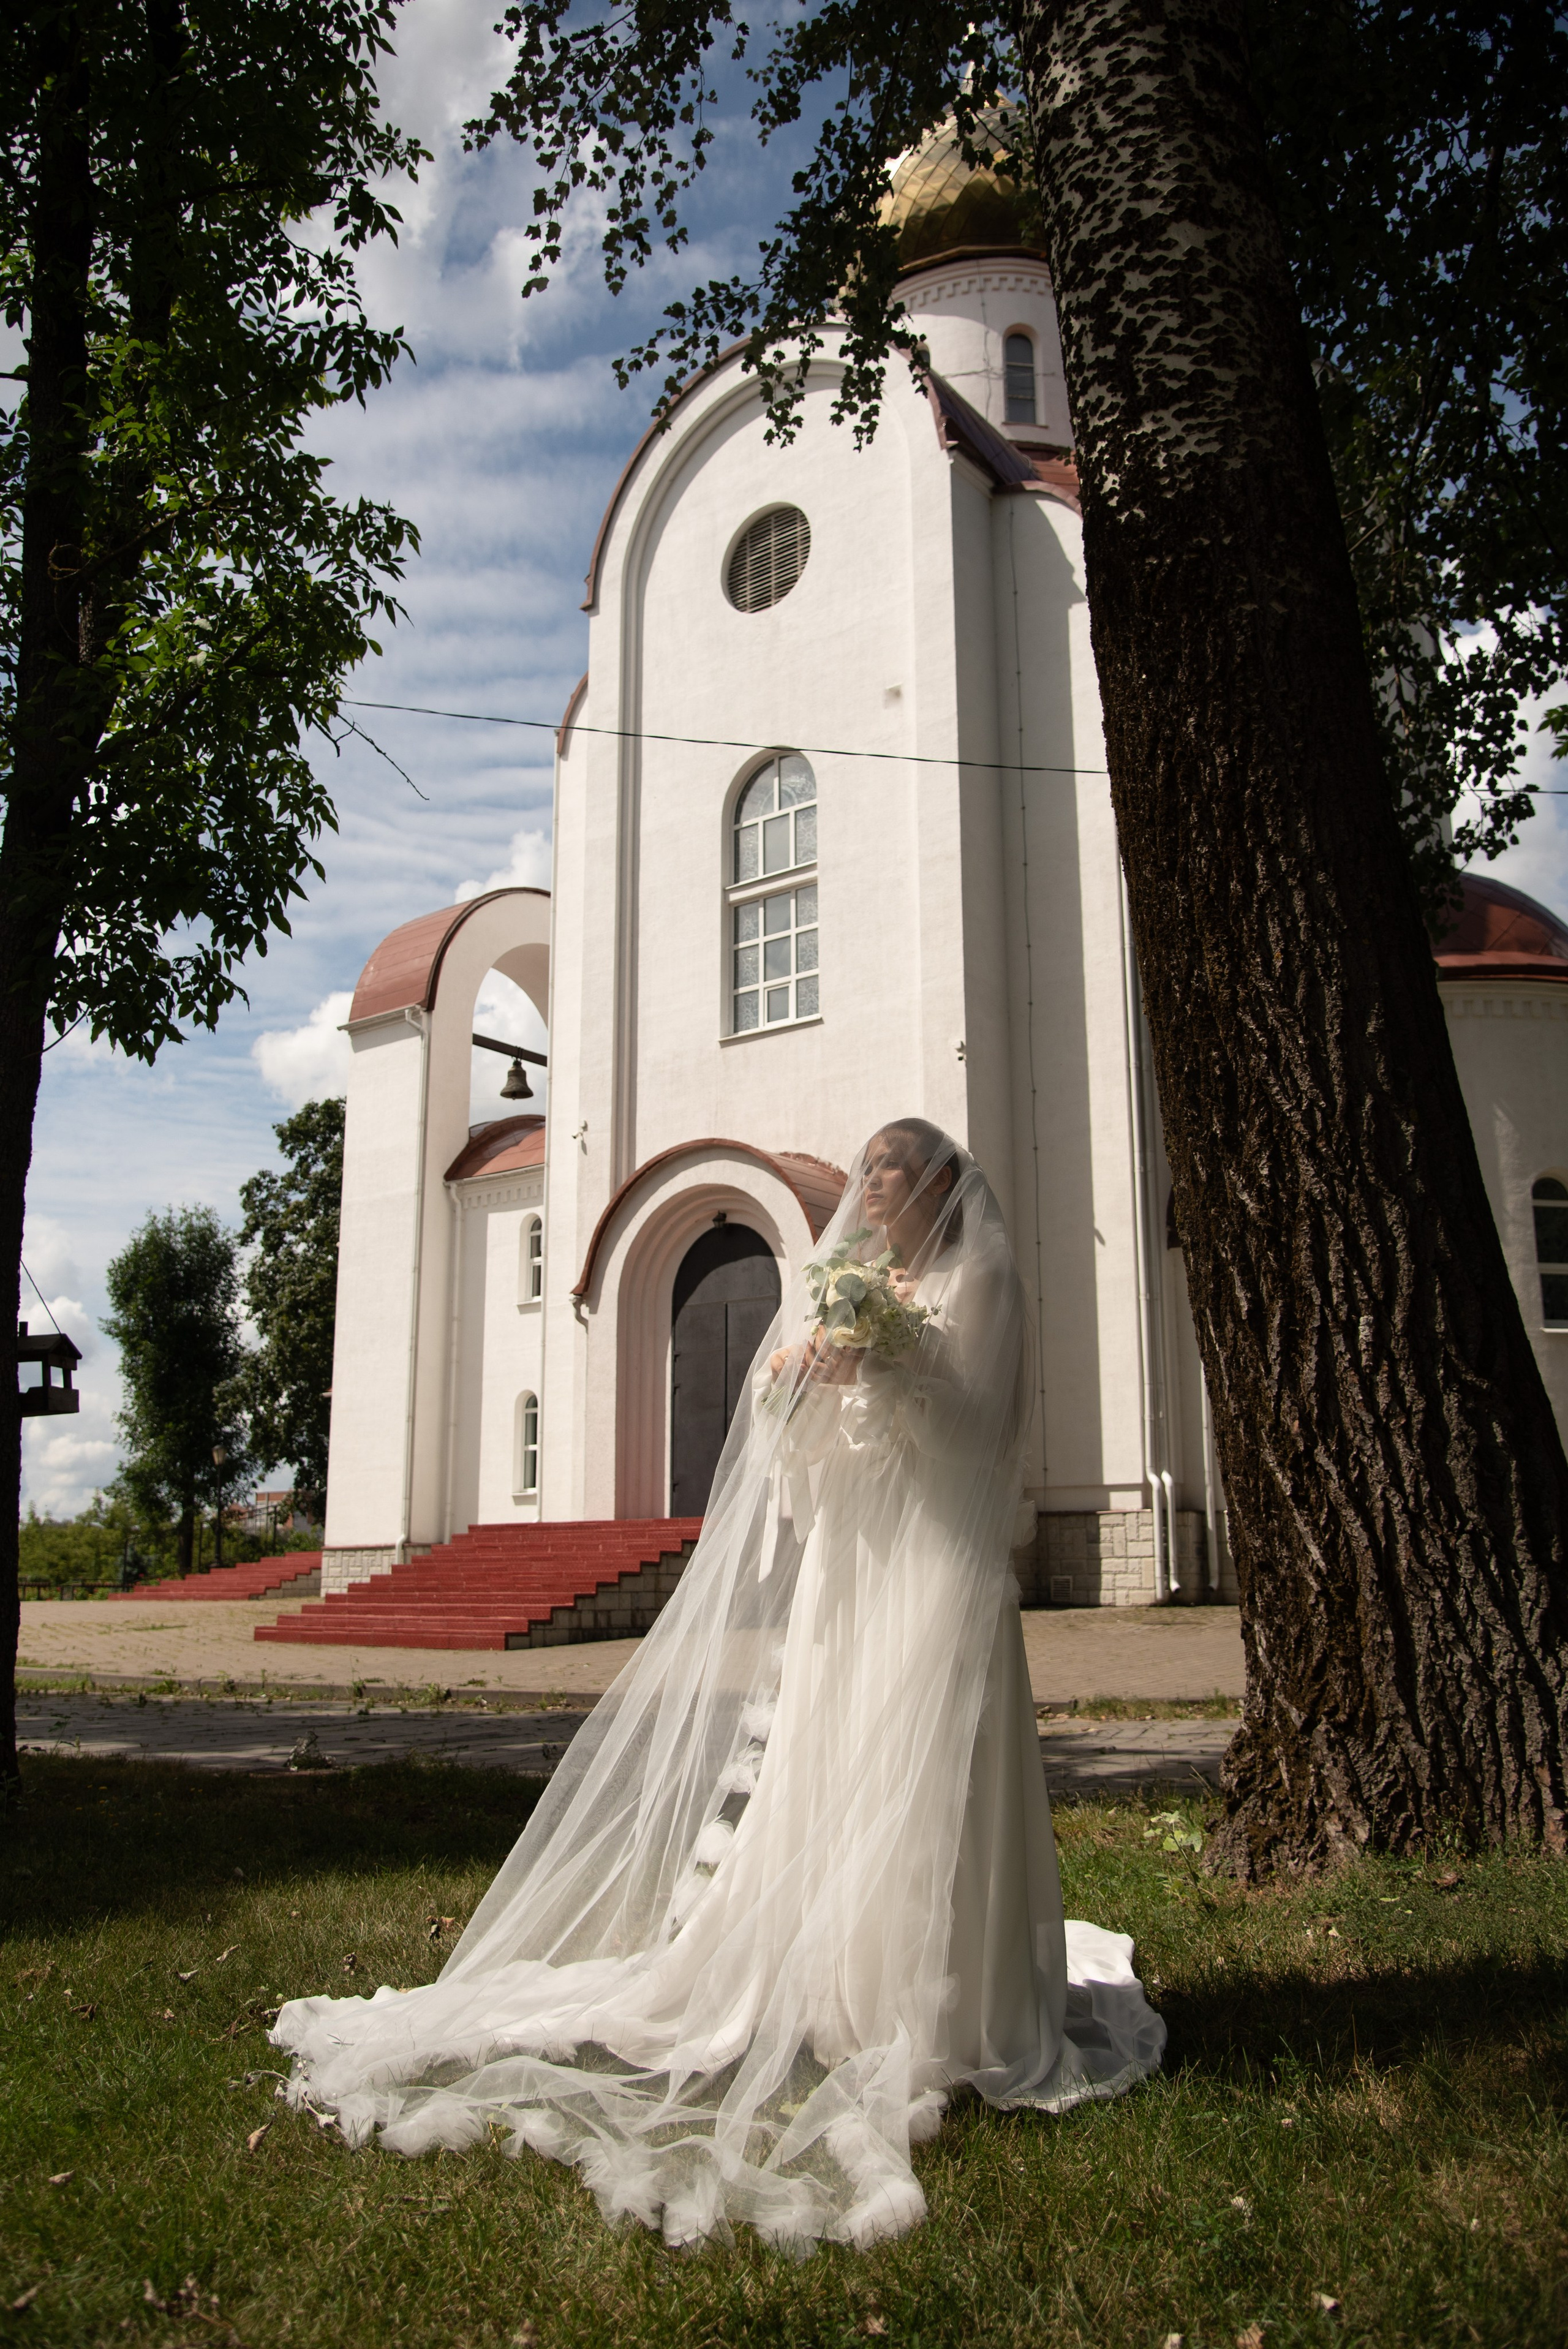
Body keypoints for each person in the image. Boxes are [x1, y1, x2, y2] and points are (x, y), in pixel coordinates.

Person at [273, 1121, 1164, 2252]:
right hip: (857, 1561)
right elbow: (842, 1439)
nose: (872, 1188)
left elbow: (979, 1428)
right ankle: (843, 1985)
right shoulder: (860, 1277)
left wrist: (881, 1358)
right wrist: (803, 1383)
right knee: (833, 1755)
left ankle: (947, 2004)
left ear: (939, 1182)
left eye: (891, 1172)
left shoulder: (979, 1272)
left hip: (935, 1563)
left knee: (928, 1763)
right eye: (869, 1174)